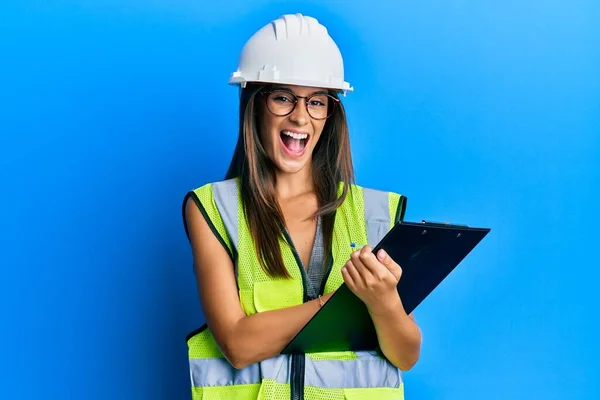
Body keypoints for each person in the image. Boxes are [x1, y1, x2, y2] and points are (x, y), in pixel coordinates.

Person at [182, 13, 422, 400]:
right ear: (254, 104)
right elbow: (237, 344)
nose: (300, 115)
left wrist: (384, 303)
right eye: (283, 97)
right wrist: (342, 302)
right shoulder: (213, 208)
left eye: (316, 101)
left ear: (330, 114)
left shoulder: (375, 212)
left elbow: (405, 354)